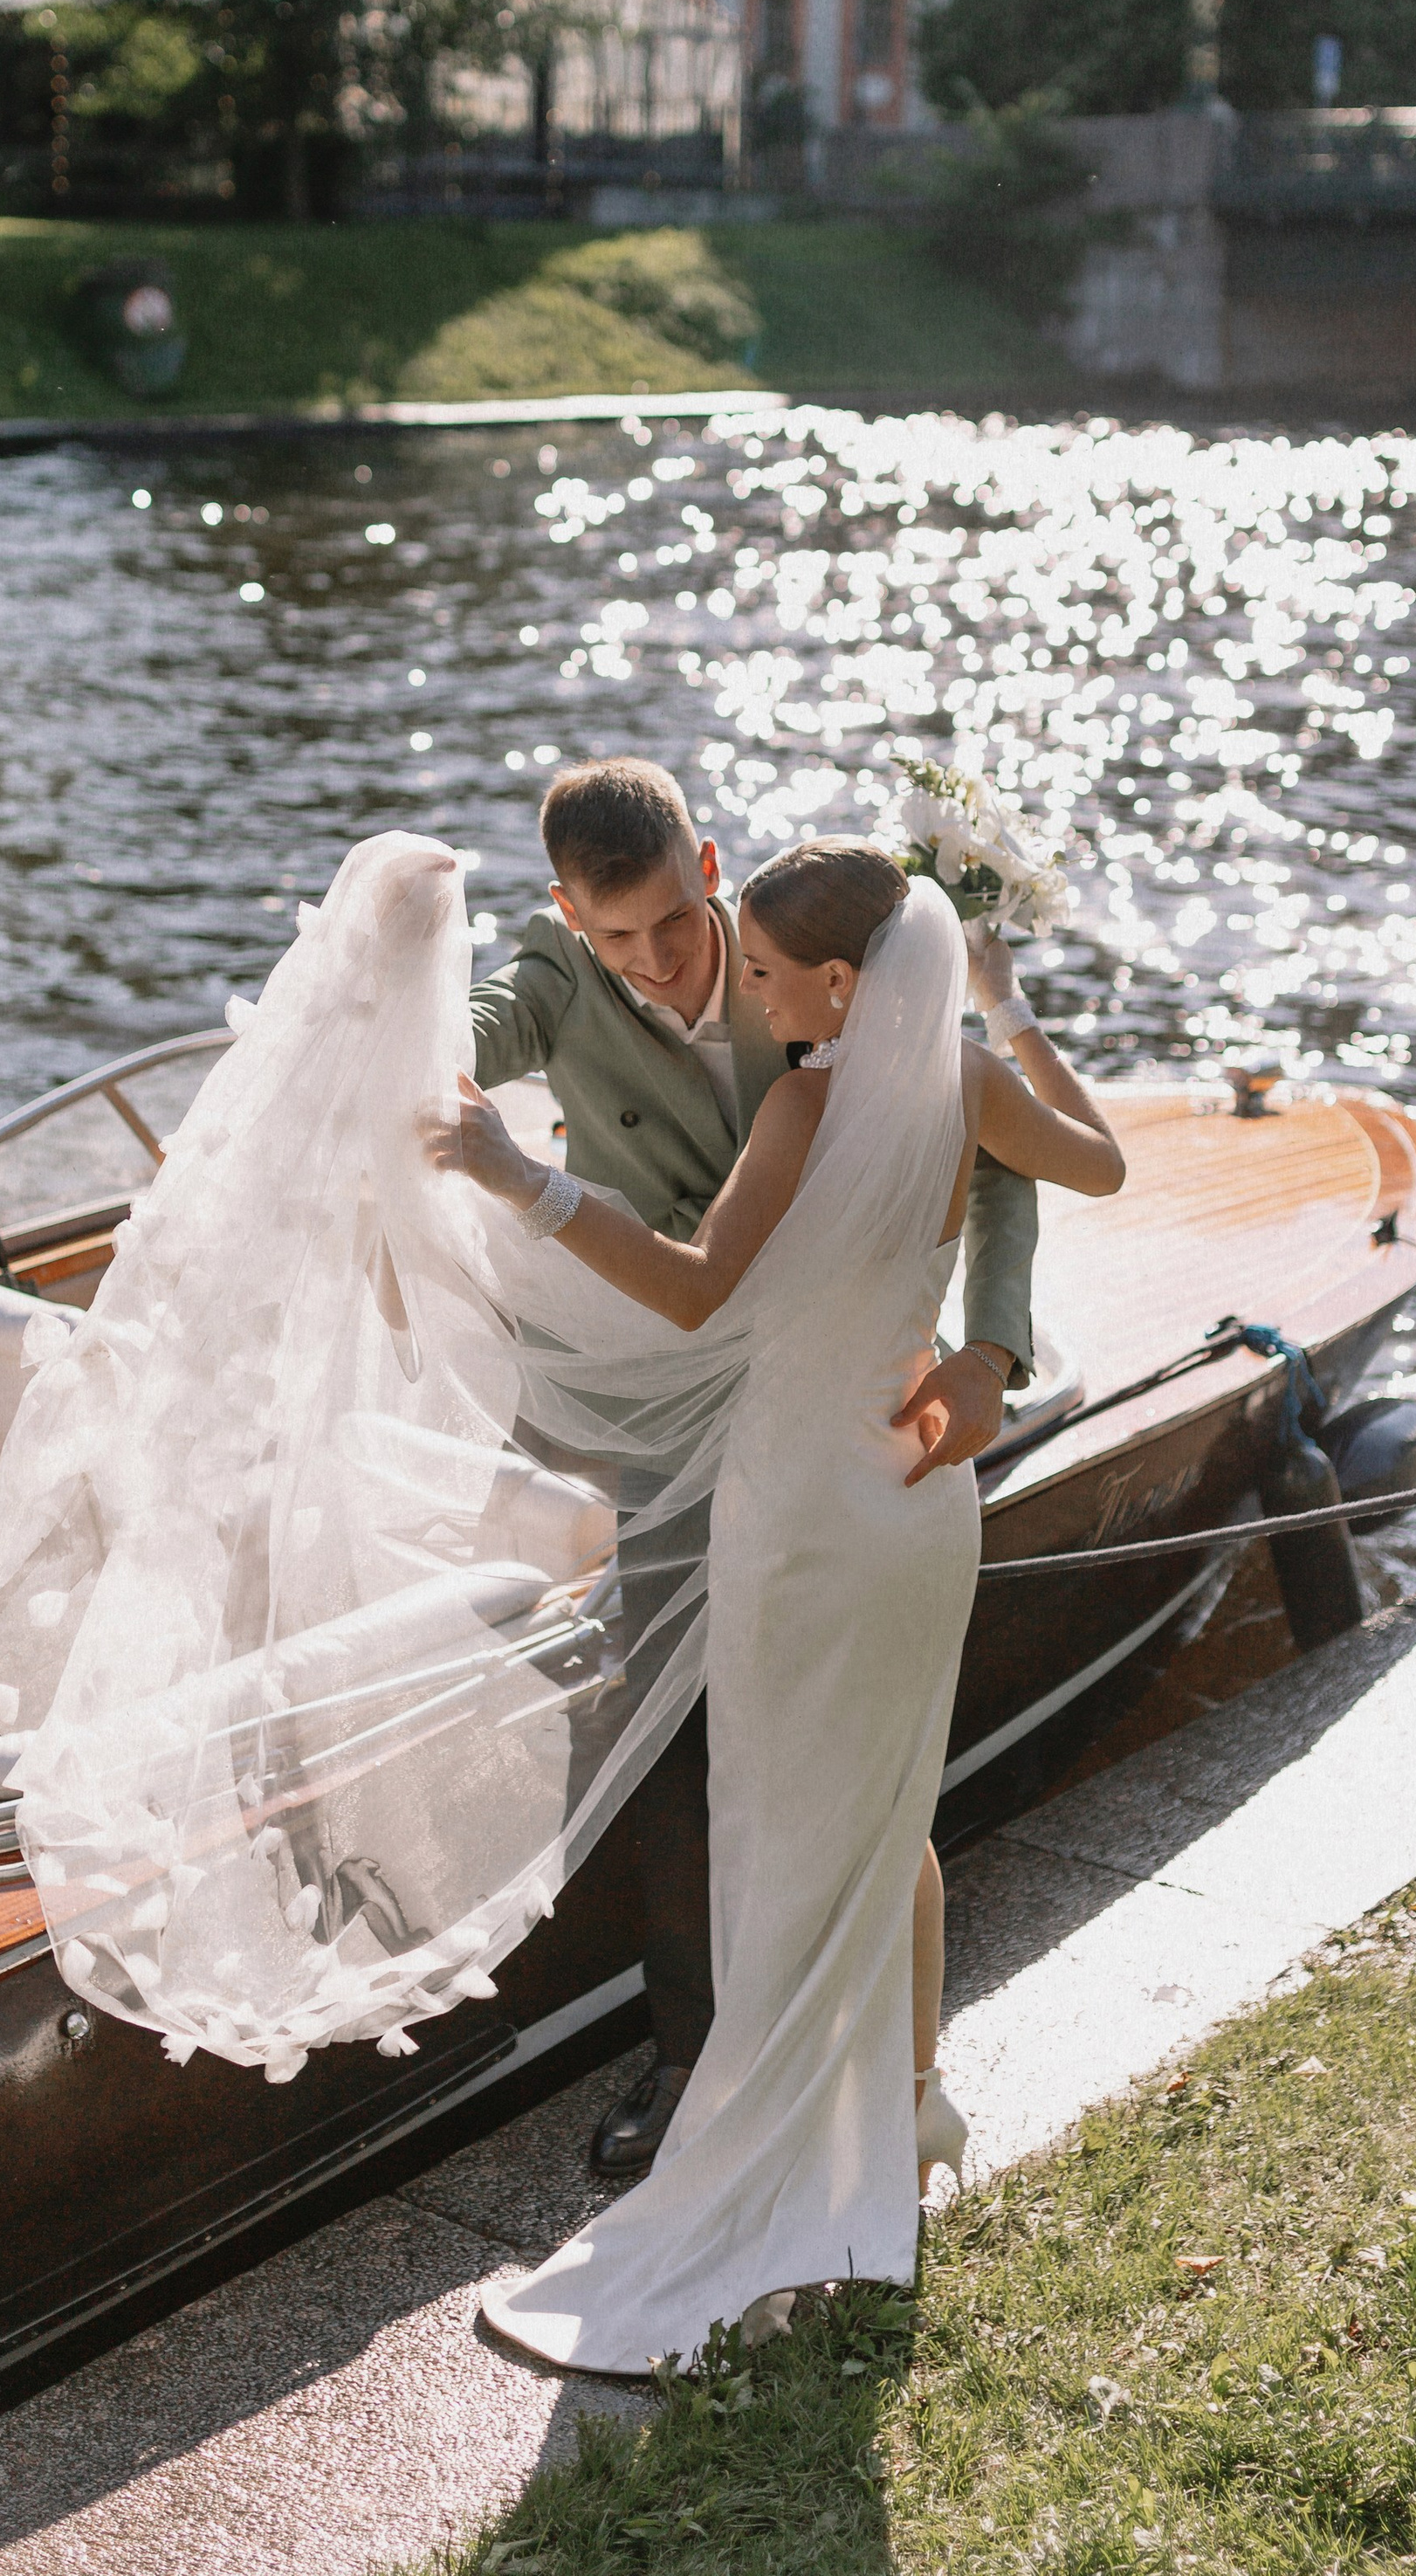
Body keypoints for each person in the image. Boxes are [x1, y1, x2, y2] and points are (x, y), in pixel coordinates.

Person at [433, 837, 1123, 2374]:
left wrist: (515, 1177)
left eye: (755, 969)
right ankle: (909, 2107)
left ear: (830, 984)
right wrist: (1005, 1011)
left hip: (804, 1505)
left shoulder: (811, 1102)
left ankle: (798, 2163)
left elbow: (688, 1291)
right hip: (918, 1504)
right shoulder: (965, 1082)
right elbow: (1104, 1164)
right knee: (881, 1817)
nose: (740, 995)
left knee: (786, 1837)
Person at [470, 761, 1041, 2181]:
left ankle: (880, 2068)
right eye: (618, 941)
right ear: (566, 917)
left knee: (845, 1736)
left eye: (674, 921)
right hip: (675, 1406)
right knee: (676, 1725)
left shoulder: (830, 956)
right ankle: (693, 2063)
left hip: (840, 1398)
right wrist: (389, 1056)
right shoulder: (552, 971)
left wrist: (996, 1350)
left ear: (709, 865)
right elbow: (476, 1040)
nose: (655, 962)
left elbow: (999, 1149)